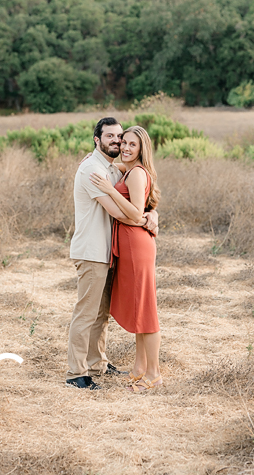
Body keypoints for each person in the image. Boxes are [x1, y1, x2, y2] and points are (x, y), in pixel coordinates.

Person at [67, 117, 157, 390]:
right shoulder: (92, 170)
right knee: (87, 312)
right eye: (111, 137)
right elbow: (121, 213)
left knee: (101, 313)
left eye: (121, 137)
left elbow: (137, 194)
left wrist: (153, 212)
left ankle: (97, 364)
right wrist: (145, 220)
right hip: (92, 251)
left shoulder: (113, 169)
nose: (117, 142)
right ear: (97, 139)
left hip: (110, 252)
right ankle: (76, 372)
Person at [90, 125, 163, 391]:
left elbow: (134, 213)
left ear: (142, 149)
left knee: (146, 310)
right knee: (138, 307)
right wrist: (93, 159)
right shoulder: (129, 170)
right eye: (124, 143)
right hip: (131, 244)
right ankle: (140, 367)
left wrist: (109, 191)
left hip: (136, 244)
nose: (126, 148)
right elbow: (122, 169)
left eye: (133, 144)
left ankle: (154, 374)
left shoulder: (137, 174)